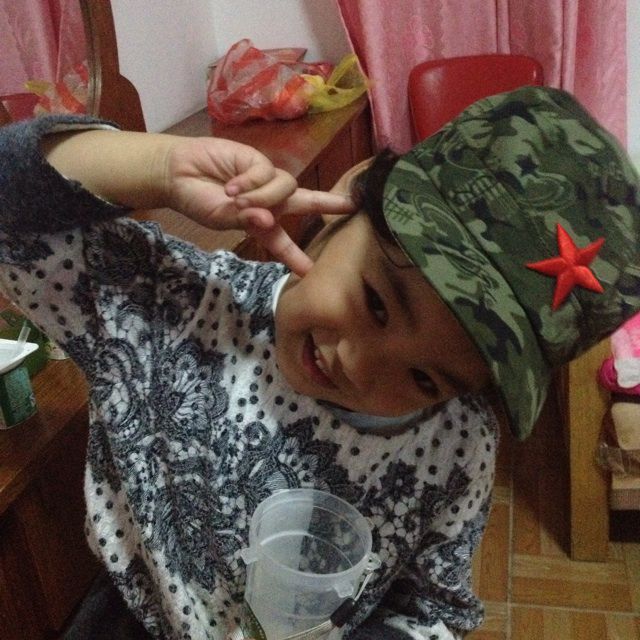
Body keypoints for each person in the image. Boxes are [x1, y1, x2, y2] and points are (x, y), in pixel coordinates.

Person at [0, 85, 638, 640]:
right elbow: (14, 218)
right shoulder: (175, 306)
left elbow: (433, 607)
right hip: (133, 618)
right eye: (377, 304)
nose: (360, 364)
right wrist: (161, 167)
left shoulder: (459, 445)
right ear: (348, 195)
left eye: (423, 378)